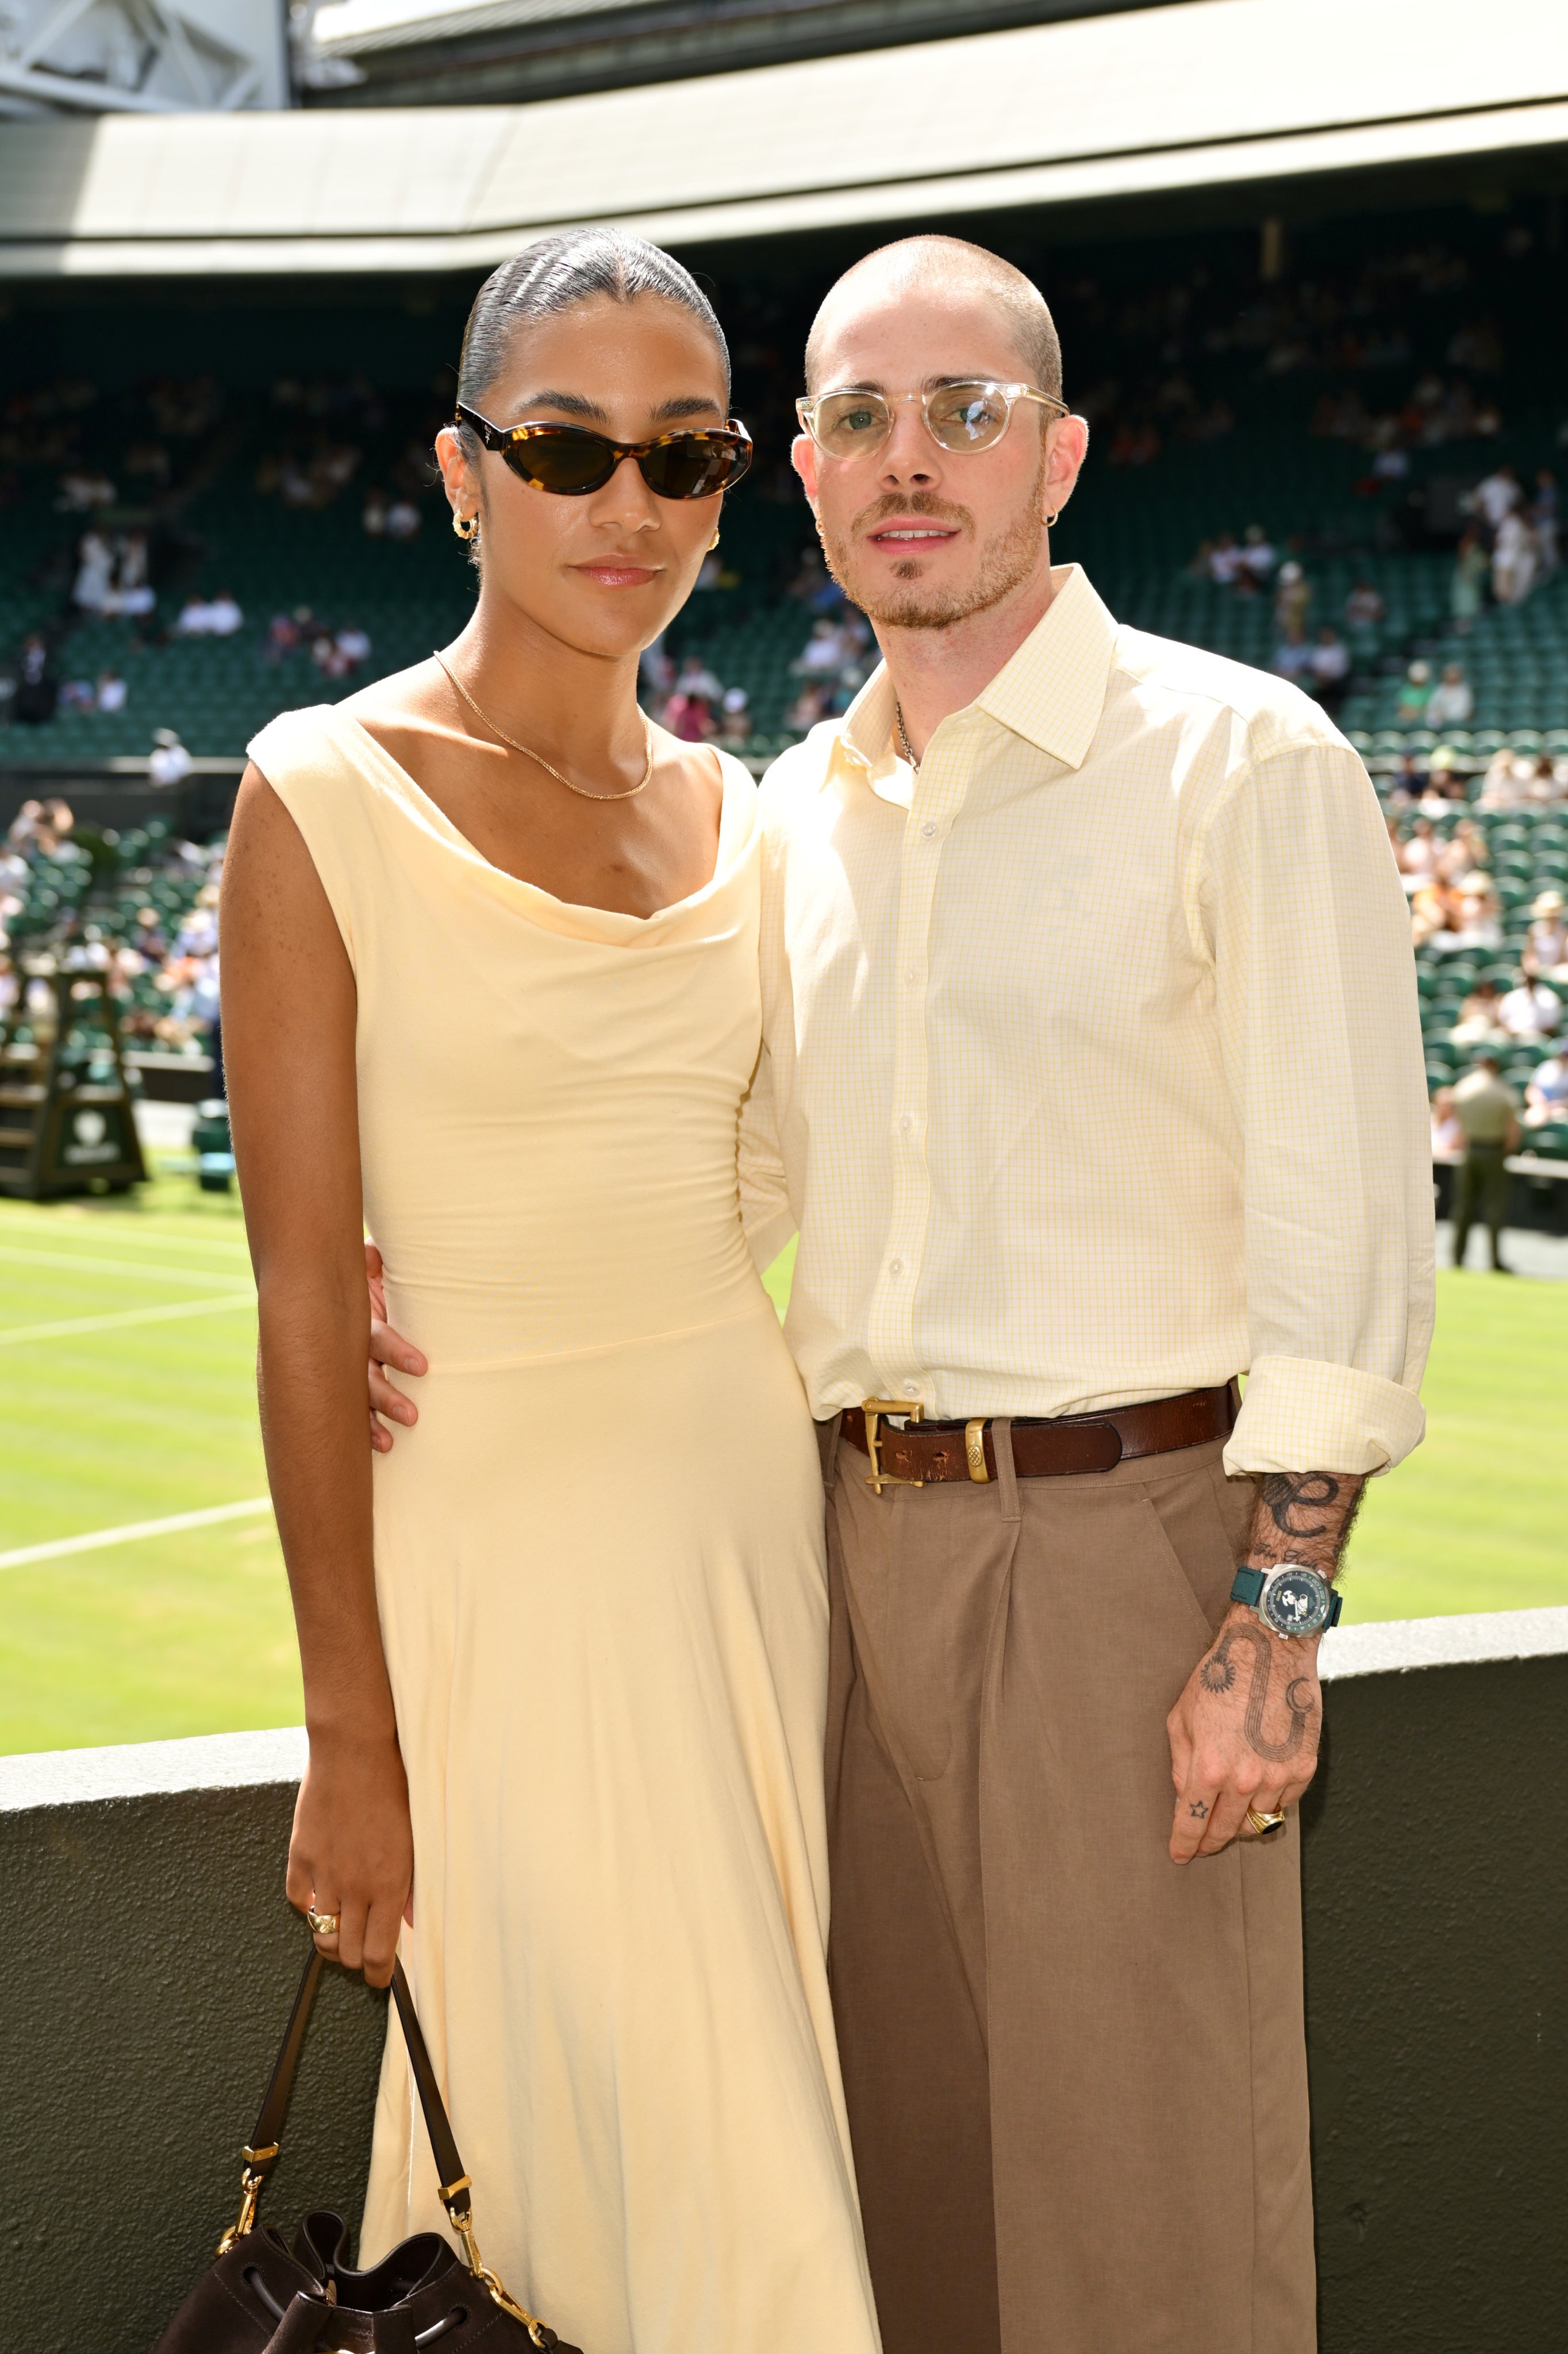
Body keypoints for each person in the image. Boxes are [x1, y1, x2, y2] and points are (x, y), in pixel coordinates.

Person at [369, 232, 1434, 2354]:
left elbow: (1346, 1236)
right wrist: (435, 1273)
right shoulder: (794, 819)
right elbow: (718, 1174)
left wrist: (1273, 1624)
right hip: (837, 1565)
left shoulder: (1245, 756)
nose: (909, 460)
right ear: (809, 474)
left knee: (1151, 2234)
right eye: (856, 416)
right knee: (907, 2206)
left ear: (1059, 457)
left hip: (1128, 1556)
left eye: (964, 412)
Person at [223, 231, 881, 2354]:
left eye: (682, 458)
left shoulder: (759, 821)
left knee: (758, 2133)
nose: (628, 508)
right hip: (482, 1568)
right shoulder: (319, 791)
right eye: (566, 448)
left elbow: (817, 1169)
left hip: (741, 1547)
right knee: (533, 2162)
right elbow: (308, 1304)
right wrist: (351, 1732)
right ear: (460, 474)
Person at [1449, 1054, 1518, 1269]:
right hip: (1493, 1152)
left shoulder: (1463, 1089)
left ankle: (1457, 1257)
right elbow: (1513, 1131)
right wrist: (1506, 1151)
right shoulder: (1502, 1091)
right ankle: (1494, 1260)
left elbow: (1455, 1119)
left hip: (1469, 1151)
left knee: (1463, 1206)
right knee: (1495, 1208)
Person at [1498, 968, 1562, 1041]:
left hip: (1538, 1039)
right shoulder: (1512, 997)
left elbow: (1551, 1028)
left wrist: (1532, 1036)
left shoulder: (1549, 997)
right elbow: (1502, 1021)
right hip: (1513, 1038)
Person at [1523, 889, 1568, 981]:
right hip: (1539, 969)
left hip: (1557, 969)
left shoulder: (1563, 931)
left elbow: (1563, 956)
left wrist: (1552, 969)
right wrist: (1533, 967)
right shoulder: (1535, 929)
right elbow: (1529, 954)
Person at [1450, 525, 1488, 633]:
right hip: (1465, 580)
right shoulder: (1467, 545)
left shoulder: (1478, 549)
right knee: (1464, 610)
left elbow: (1483, 565)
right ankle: (1462, 631)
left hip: (1472, 581)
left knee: (1472, 610)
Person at [1425, 661, 1473, 729]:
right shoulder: (1440, 689)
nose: (1451, 676)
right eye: (1449, 674)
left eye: (1454, 673)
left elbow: (1465, 712)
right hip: (1439, 724)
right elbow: (1432, 706)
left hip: (1458, 724)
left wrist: (1447, 716)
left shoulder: (1464, 690)